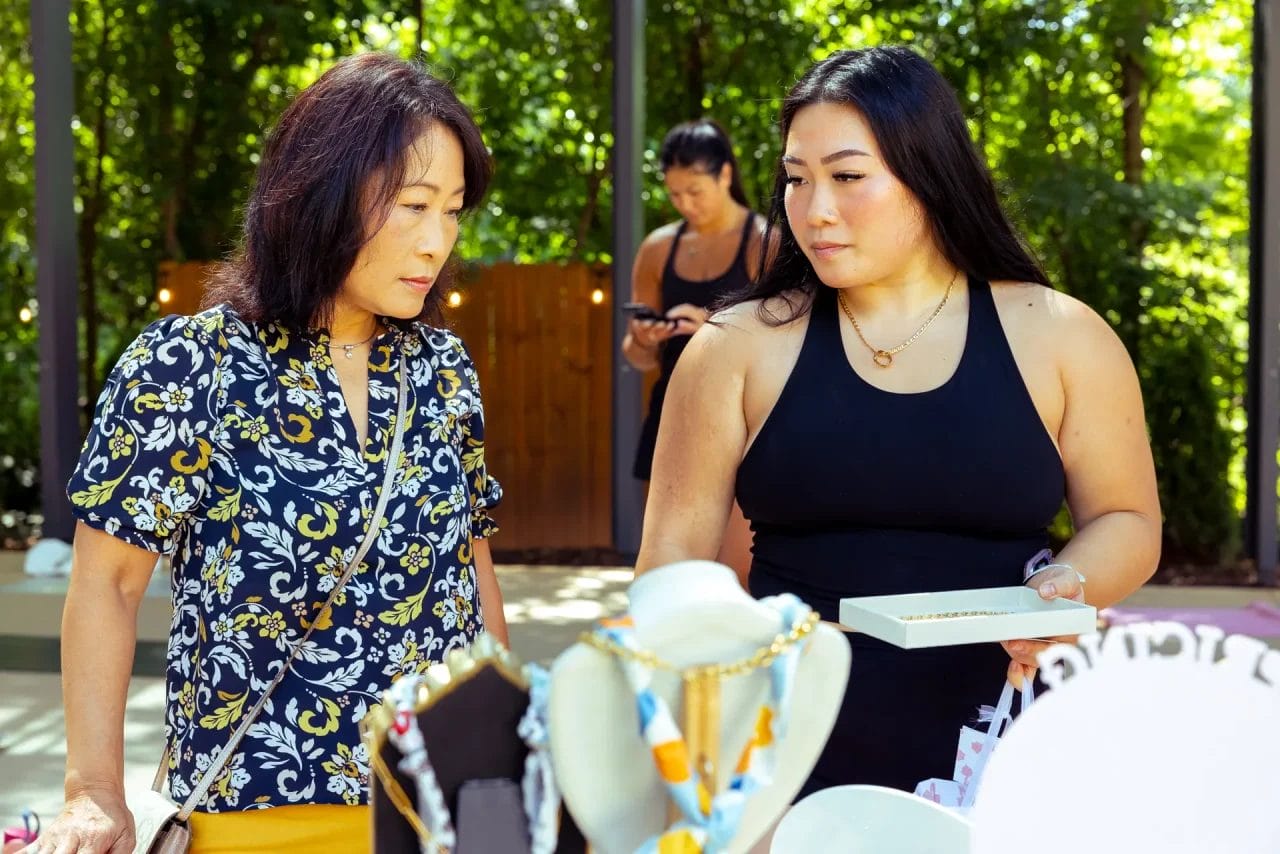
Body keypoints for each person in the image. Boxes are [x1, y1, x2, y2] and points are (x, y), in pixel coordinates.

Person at [634, 46, 1161, 796]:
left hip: (1007, 739)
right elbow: (670, 568)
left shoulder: (1063, 336)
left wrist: (1070, 585)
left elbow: (1127, 517)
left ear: (929, 175)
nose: (813, 210)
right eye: (795, 179)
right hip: (781, 747)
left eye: (848, 177)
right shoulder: (734, 349)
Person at [40, 53, 507, 853]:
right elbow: (107, 586)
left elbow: (473, 576)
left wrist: (507, 764)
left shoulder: (444, 371)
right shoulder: (189, 366)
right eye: (414, 206)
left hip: (439, 814)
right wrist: (93, 790)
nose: (437, 241)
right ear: (324, 195)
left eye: (454, 210)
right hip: (254, 820)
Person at [621, 119, 763, 584]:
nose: (685, 204)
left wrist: (715, 327)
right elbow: (637, 358)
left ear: (725, 175)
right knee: (674, 573)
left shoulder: (764, 242)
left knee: (733, 579)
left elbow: (784, 345)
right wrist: (645, 339)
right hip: (672, 414)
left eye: (695, 191)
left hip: (744, 421)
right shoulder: (659, 248)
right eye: (675, 193)